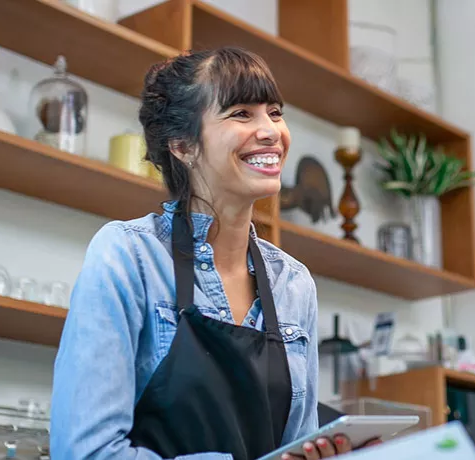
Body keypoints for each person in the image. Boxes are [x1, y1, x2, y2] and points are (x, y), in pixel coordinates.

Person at [50, 47, 375, 460]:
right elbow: (85, 452)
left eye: (274, 112)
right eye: (241, 113)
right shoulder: (128, 256)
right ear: (182, 145)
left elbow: (297, 444)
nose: (272, 131)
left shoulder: (294, 283)